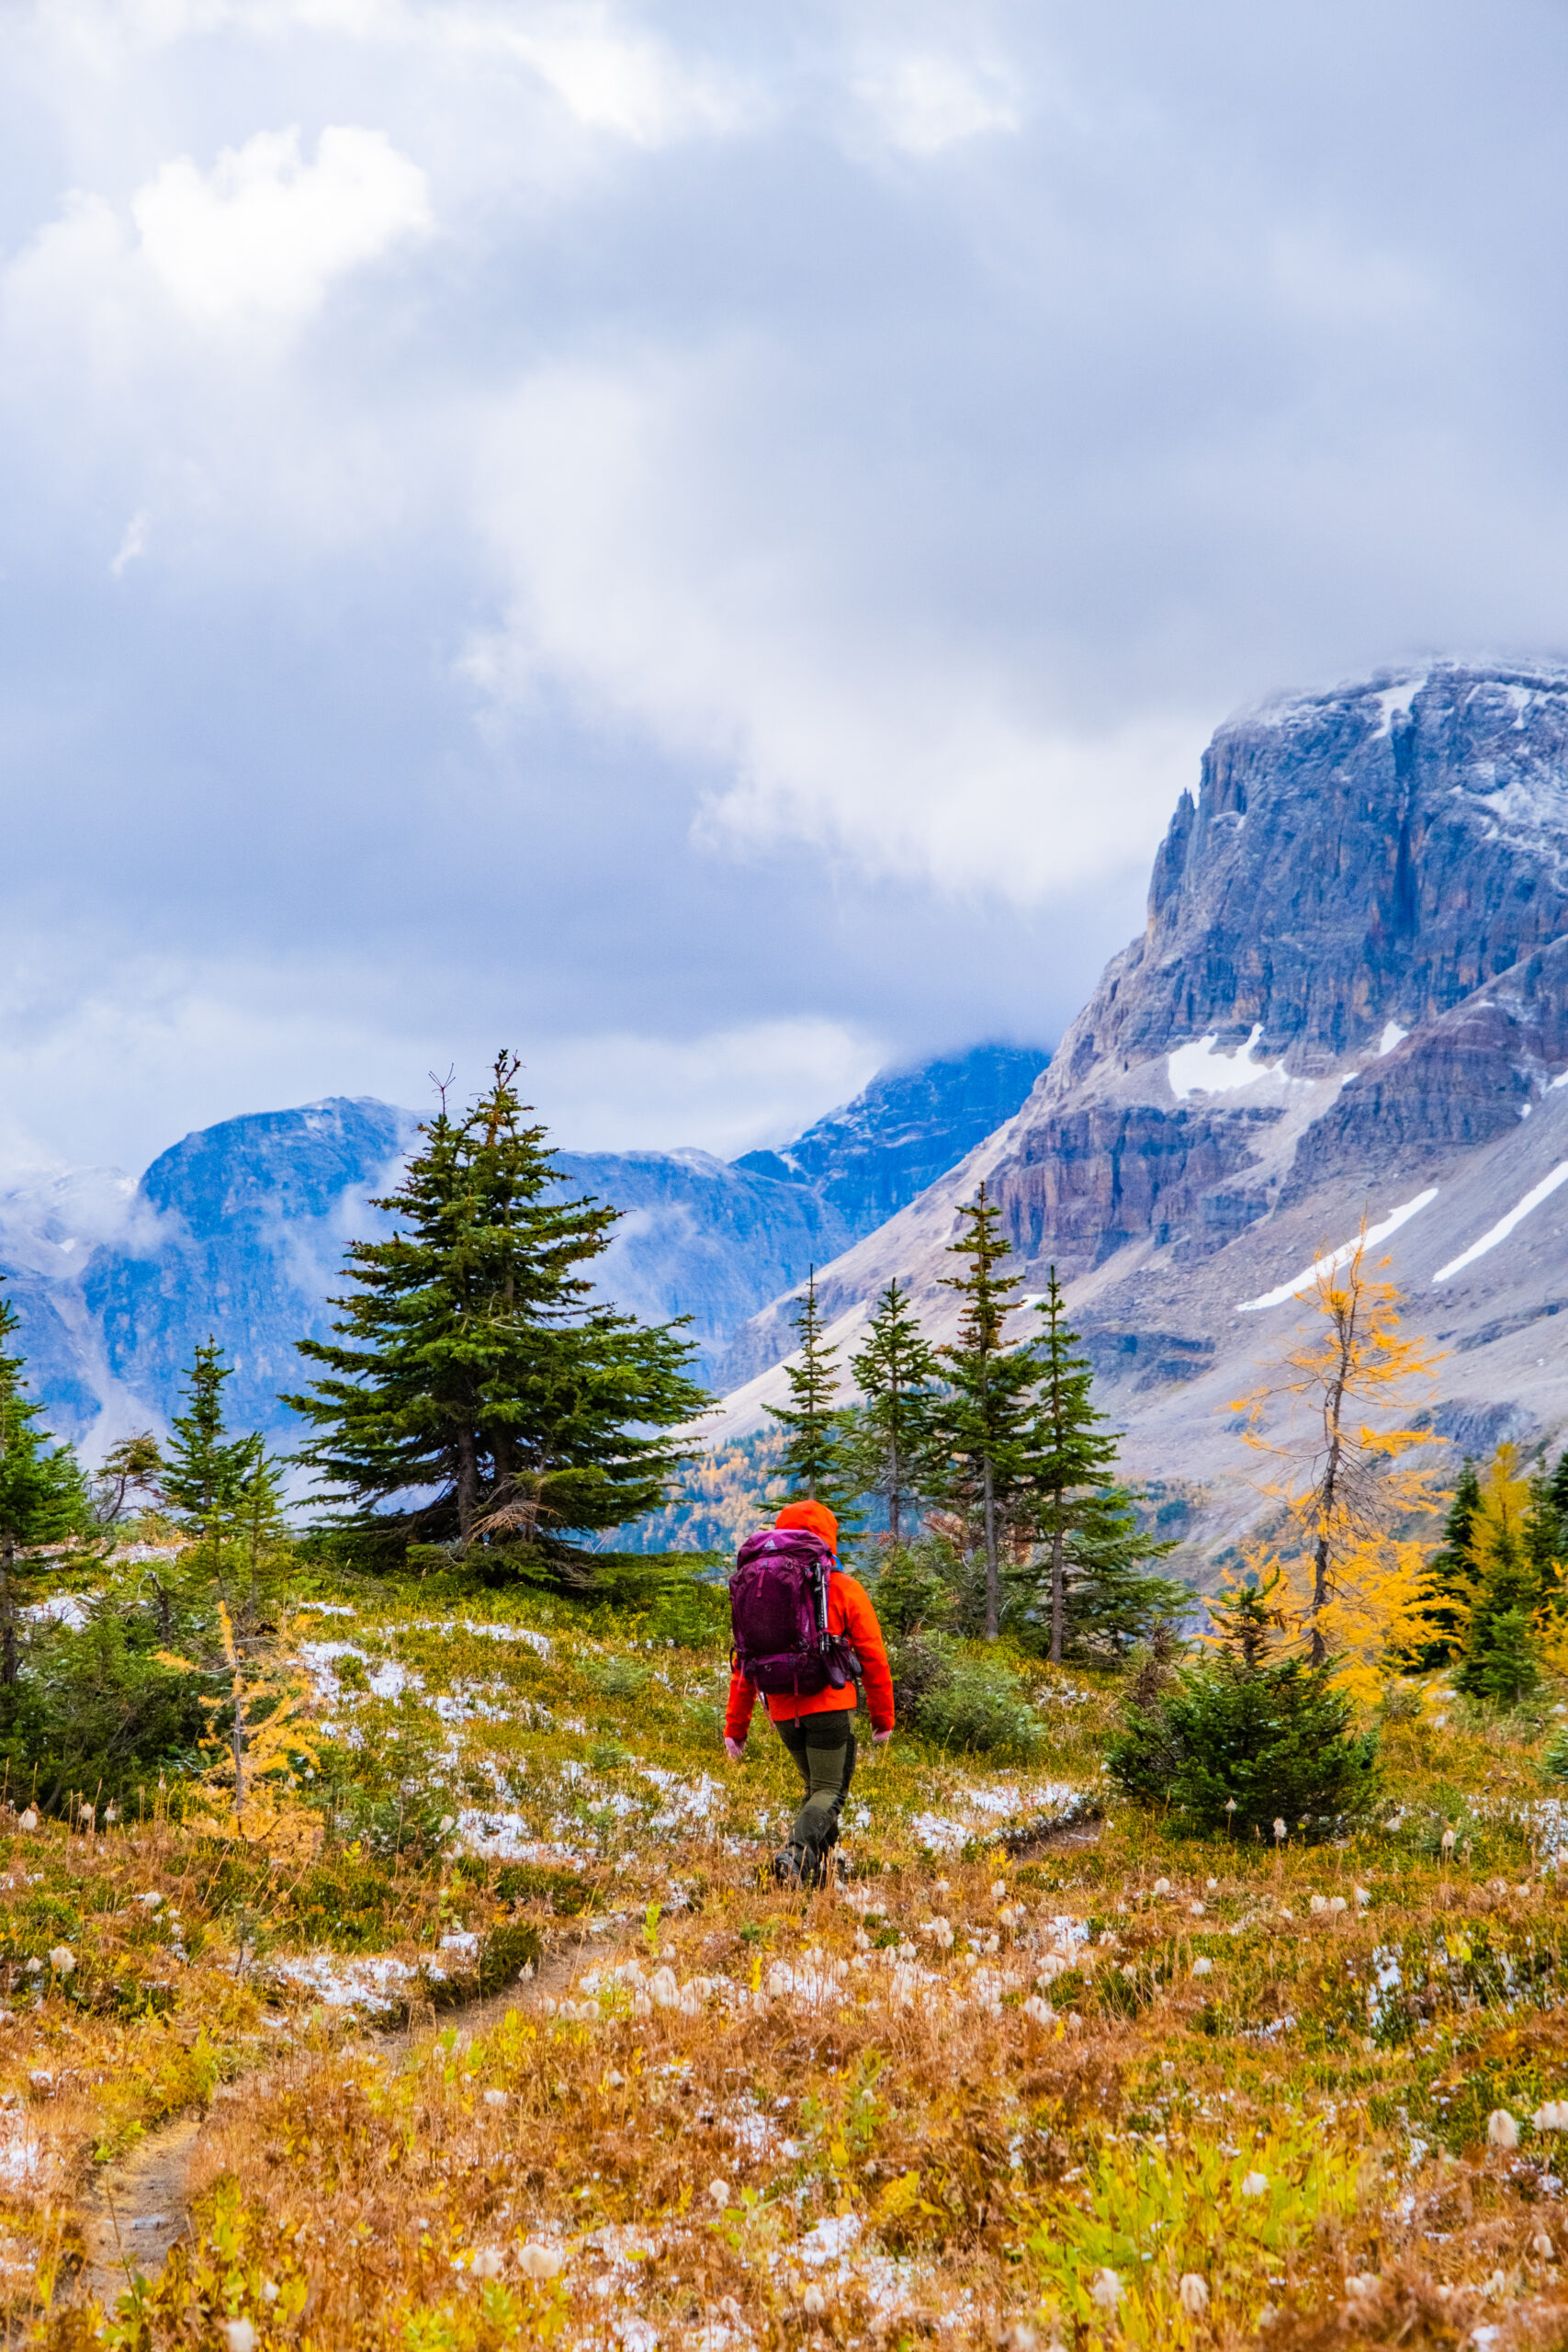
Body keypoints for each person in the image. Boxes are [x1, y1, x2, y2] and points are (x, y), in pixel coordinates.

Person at [723, 1498, 894, 1885]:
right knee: (830, 1790)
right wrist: (883, 1719)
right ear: (828, 1539)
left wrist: (736, 1728)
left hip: (782, 1709)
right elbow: (874, 1657)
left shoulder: (760, 1588)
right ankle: (795, 1858)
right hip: (830, 1705)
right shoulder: (844, 1588)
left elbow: (743, 1663)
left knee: (817, 1789)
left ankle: (824, 1870)